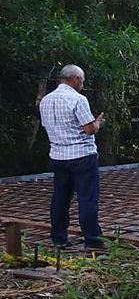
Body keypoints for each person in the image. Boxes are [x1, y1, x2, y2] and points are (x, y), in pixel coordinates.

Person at [39, 64, 106, 249]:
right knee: (87, 199)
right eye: (82, 81)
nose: (82, 85)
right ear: (76, 79)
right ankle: (92, 239)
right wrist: (98, 122)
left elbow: (48, 127)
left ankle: (58, 238)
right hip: (82, 156)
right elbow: (89, 129)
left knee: (60, 198)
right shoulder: (78, 99)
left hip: (58, 155)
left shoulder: (46, 100)